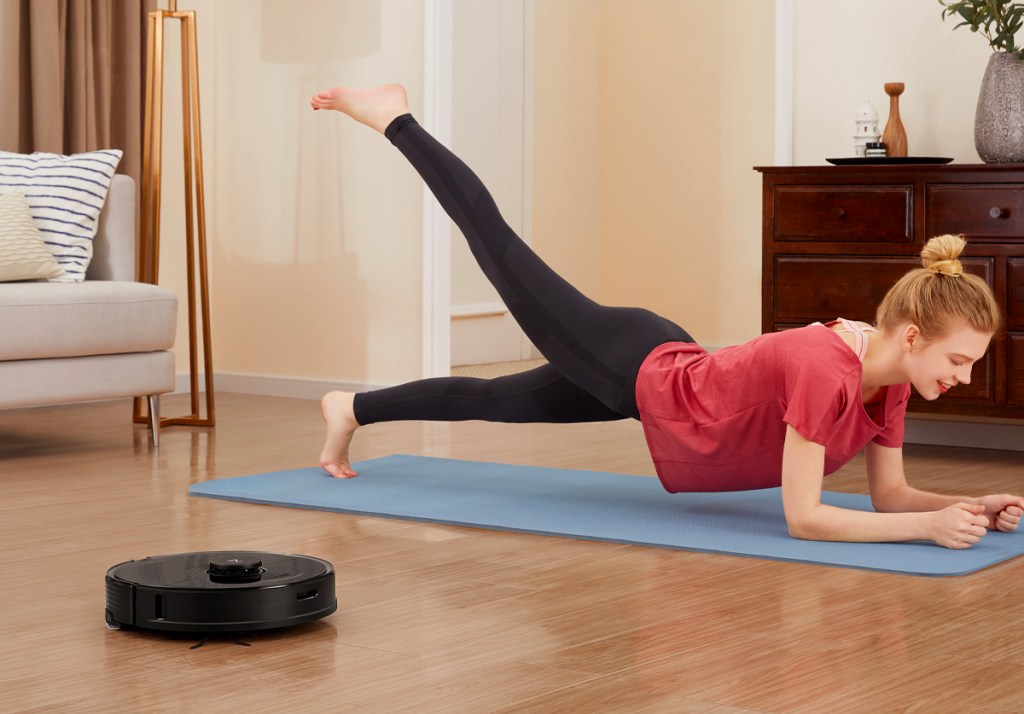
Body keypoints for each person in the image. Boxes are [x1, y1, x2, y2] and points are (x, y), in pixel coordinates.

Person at [309, 84, 1023, 550]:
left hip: (662, 371)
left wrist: (965, 505)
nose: (961, 377)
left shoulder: (890, 383)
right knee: (495, 244)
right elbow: (804, 518)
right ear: (910, 335)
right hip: (632, 362)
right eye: (957, 360)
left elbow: (889, 495)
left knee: (498, 398)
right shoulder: (825, 366)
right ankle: (394, 116)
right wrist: (928, 529)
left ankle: (350, 408)